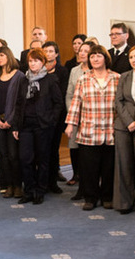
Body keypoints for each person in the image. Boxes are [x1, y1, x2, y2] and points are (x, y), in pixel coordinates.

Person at [65, 44, 120, 210]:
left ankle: (107, 197)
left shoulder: (117, 78)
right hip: (89, 130)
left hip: (110, 131)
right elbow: (76, 103)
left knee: (108, 168)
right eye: (92, 56)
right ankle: (90, 198)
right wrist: (70, 124)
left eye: (98, 55)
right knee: (89, 168)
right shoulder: (83, 78)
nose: (95, 59)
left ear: (105, 58)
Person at [12, 48, 63, 205]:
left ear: (42, 62)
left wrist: (51, 120)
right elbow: (18, 104)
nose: (33, 64)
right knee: (25, 158)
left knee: (42, 158)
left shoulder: (50, 79)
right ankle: (28, 190)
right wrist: (15, 126)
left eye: (36, 61)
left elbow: (58, 103)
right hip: (25, 125)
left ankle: (40, 191)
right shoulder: (23, 80)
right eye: (31, 61)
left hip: (43, 125)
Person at [113, 45, 135, 214]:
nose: (133, 60)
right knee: (123, 164)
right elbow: (118, 101)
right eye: (131, 57)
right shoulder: (125, 76)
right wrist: (129, 121)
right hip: (123, 126)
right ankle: (124, 203)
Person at [0, 46, 25, 198]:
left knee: (13, 155)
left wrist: (10, 121)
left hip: (12, 123)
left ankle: (17, 185)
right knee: (2, 156)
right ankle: (8, 185)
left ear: (9, 56)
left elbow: (20, 102)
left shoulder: (19, 76)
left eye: (1, 55)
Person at [64, 40, 92, 186]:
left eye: (85, 51)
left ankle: (88, 180)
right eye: (81, 50)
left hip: (91, 116)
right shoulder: (74, 70)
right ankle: (76, 174)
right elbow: (69, 94)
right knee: (74, 147)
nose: (81, 53)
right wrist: (72, 112)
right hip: (75, 115)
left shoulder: (95, 71)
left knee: (87, 152)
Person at [43, 40, 70, 192]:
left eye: (51, 51)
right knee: (42, 150)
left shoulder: (62, 71)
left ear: (56, 54)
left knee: (53, 149)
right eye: (45, 51)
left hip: (55, 116)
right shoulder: (37, 69)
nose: (48, 54)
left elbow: (62, 93)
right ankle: (42, 181)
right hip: (40, 116)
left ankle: (52, 182)